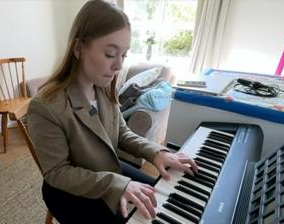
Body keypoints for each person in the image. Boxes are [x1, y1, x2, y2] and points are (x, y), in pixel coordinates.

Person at [27, 1, 198, 223]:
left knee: (160, 200)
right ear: (78, 49)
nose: (118, 65)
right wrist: (118, 184)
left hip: (108, 169)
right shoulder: (45, 106)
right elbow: (57, 172)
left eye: (124, 55)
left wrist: (156, 152)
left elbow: (123, 133)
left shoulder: (105, 86)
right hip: (68, 190)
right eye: (110, 54)